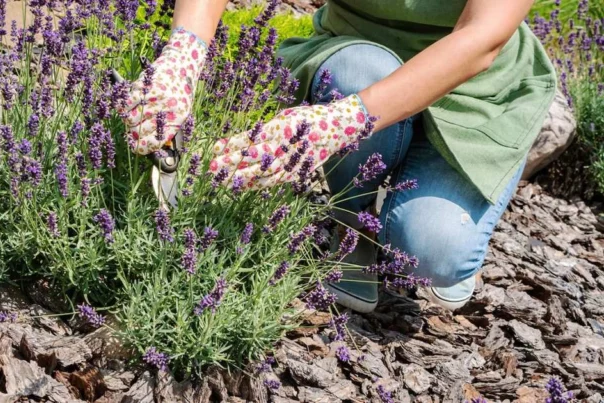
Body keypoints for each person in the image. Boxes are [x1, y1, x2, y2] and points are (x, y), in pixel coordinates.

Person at [117, 0, 557, 313]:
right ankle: (351, 219)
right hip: (359, 55)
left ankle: (445, 194)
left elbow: (483, 36)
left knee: (432, 255)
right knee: (357, 74)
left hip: (475, 87)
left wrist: (342, 121)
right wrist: (183, 57)